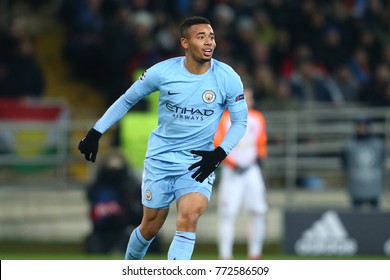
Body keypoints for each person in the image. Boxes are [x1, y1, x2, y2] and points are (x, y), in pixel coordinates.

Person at [78, 16, 248, 260]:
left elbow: (240, 121)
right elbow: (127, 99)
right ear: (185, 42)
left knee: (189, 217)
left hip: (198, 161)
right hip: (161, 158)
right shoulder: (162, 72)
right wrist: (96, 132)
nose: (209, 42)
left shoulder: (227, 77)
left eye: (211, 36)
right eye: (201, 36)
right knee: (151, 225)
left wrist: (220, 153)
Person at [215, 86, 268, 260]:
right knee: (227, 213)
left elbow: (260, 141)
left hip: (251, 169)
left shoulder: (257, 117)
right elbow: (218, 143)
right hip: (232, 171)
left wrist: (260, 158)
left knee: (258, 211)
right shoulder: (224, 119)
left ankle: (255, 254)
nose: (247, 102)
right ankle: (225, 256)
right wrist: (231, 163)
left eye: (249, 98)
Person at [341, 115, 385, 210]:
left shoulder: (377, 144)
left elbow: (382, 160)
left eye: (364, 126)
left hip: (374, 186)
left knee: (376, 214)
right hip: (356, 187)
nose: (362, 128)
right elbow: (344, 163)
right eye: (359, 126)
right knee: (355, 213)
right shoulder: (349, 145)